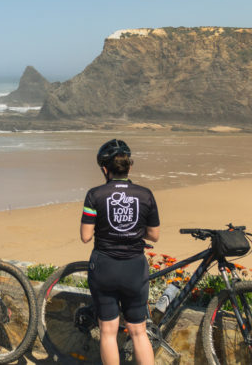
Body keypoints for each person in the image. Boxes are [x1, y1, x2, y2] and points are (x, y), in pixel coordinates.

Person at [80, 139, 160, 365]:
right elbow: (154, 235)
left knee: (108, 331)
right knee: (138, 332)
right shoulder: (145, 194)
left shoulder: (94, 195)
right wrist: (133, 231)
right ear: (129, 167)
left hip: (105, 267)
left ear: (105, 169)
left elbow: (86, 236)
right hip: (135, 268)